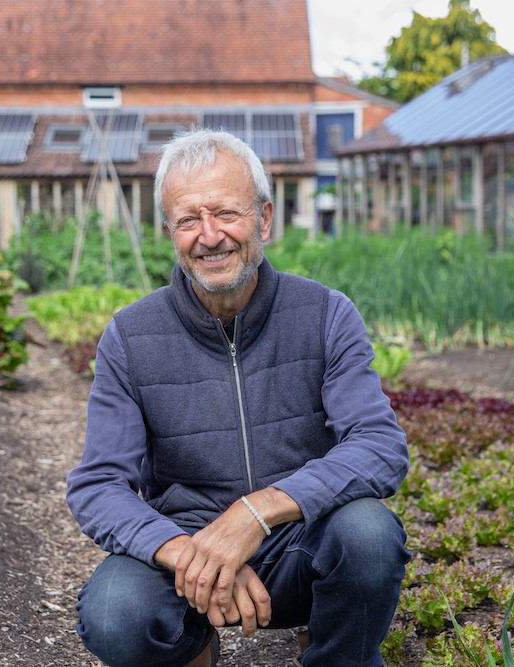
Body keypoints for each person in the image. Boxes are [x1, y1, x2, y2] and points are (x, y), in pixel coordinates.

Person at [66, 129, 411, 667]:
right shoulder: (131, 336)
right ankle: (195, 644)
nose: (209, 236)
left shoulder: (325, 315)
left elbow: (379, 445)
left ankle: (333, 654)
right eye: (187, 220)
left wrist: (253, 516)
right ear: (170, 232)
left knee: (367, 533)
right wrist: (194, 556)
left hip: (298, 540)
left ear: (264, 219)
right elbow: (98, 484)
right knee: (113, 612)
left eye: (227, 213)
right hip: (185, 551)